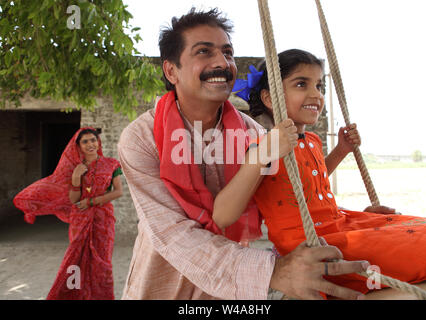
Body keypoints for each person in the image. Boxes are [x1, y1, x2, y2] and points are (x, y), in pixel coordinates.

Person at [118, 8, 369, 300]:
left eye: (227, 53)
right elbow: (174, 234)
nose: (221, 63)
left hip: (231, 292)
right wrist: (273, 272)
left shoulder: (255, 136)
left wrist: (360, 223)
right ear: (171, 70)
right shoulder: (141, 139)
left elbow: (294, 194)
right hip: (161, 283)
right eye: (204, 52)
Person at [216, 48, 426, 297]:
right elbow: (222, 215)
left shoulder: (313, 140)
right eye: (301, 84)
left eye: (319, 86)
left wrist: (341, 150)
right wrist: (262, 155)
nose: (315, 94)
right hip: (316, 239)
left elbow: (311, 180)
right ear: (270, 98)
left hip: (341, 223)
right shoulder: (265, 146)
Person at [14, 127, 123, 299]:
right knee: (76, 257)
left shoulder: (111, 164)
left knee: (103, 261)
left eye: (93, 140)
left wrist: (91, 201)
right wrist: (75, 178)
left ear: (98, 142)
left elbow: (118, 192)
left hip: (103, 219)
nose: (90, 144)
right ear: (78, 146)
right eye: (85, 141)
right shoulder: (75, 168)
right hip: (80, 218)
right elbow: (73, 199)